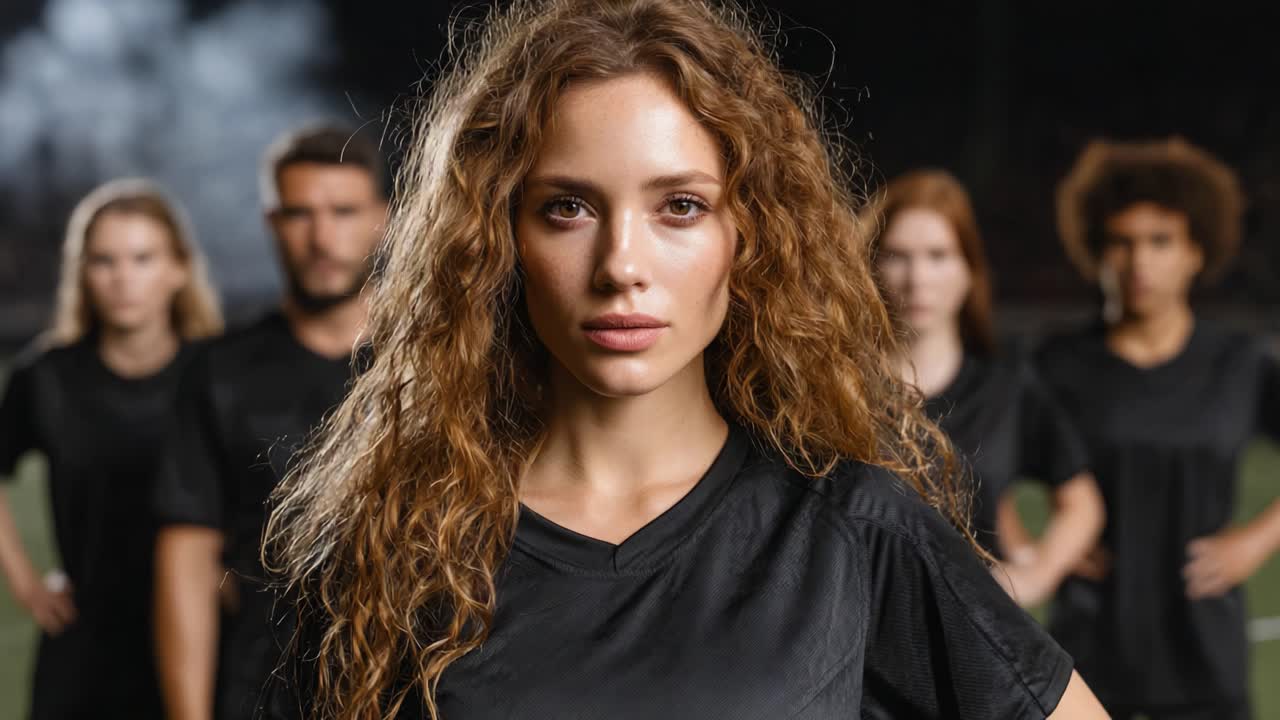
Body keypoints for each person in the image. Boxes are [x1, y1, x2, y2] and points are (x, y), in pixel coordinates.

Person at [262, 1, 1109, 718]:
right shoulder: (389, 553)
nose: (621, 264)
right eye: (567, 207)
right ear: (496, 241)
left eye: (679, 206)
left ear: (751, 236)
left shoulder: (850, 532)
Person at [1037, 137, 1280, 719]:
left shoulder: (1239, 364)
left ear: (1198, 251)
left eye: (1160, 241)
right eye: (1121, 242)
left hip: (1204, 643)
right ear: (1097, 251)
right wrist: (1033, 549)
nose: (1139, 261)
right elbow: (979, 457)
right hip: (1089, 639)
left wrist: (1258, 539)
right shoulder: (1057, 364)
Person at [152, 125, 388, 720]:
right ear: (272, 222)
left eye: (342, 211)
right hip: (264, 689)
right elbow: (186, 560)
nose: (322, 237)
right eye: (299, 214)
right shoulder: (219, 372)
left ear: (382, 219)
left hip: (423, 688)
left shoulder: (439, 362)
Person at [0, 179, 222, 719]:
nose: (124, 279)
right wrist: (28, 585)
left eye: (142, 258)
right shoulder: (45, 377)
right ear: (82, 272)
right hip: (85, 644)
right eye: (104, 260)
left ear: (178, 269)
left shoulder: (221, 371)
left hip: (202, 634)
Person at [868, 169, 1105, 607]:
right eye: (897, 255)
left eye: (938, 255)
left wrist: (1037, 575)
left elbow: (1082, 504)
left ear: (968, 270)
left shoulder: (1005, 390)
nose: (917, 279)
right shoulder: (838, 388)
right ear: (870, 266)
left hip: (974, 644)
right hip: (860, 638)